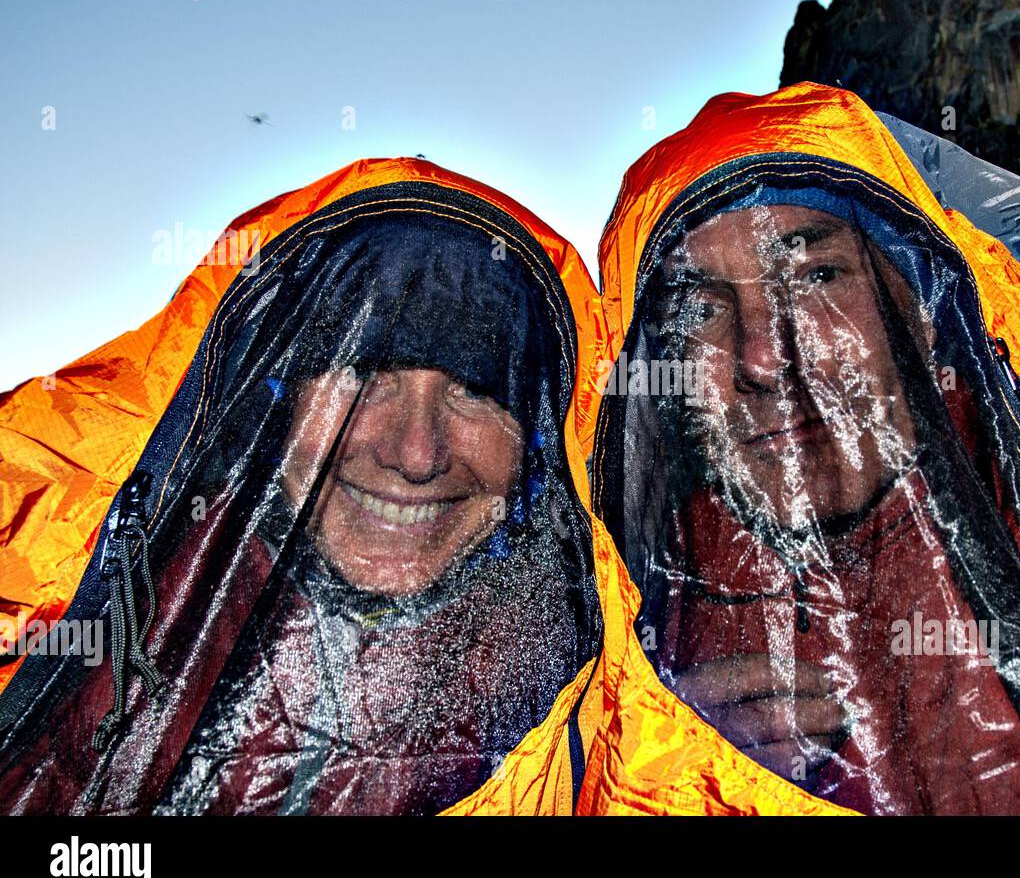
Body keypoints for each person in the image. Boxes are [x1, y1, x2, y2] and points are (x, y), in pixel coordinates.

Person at [582, 83, 1020, 815]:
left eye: (815, 276)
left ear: (919, 302)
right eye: (701, 309)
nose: (763, 357)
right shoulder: (648, 590)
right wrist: (662, 750)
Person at [0, 162, 603, 815]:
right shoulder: (70, 618)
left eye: (474, 388)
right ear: (274, 402)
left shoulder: (599, 729)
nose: (416, 453)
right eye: (366, 374)